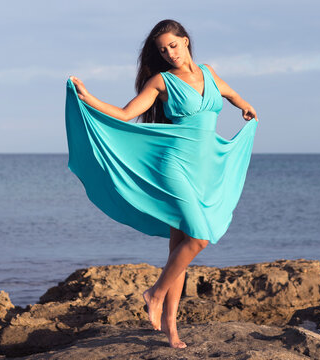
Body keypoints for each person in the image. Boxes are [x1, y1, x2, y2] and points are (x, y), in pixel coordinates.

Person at [68, 19, 258, 349]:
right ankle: (155, 294)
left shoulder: (208, 72)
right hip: (174, 166)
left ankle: (171, 329)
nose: (169, 53)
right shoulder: (162, 81)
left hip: (203, 168)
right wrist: (89, 98)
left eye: (173, 45)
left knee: (177, 249)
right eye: (162, 50)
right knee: (198, 237)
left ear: (185, 41)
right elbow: (126, 114)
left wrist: (244, 106)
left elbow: (229, 92)